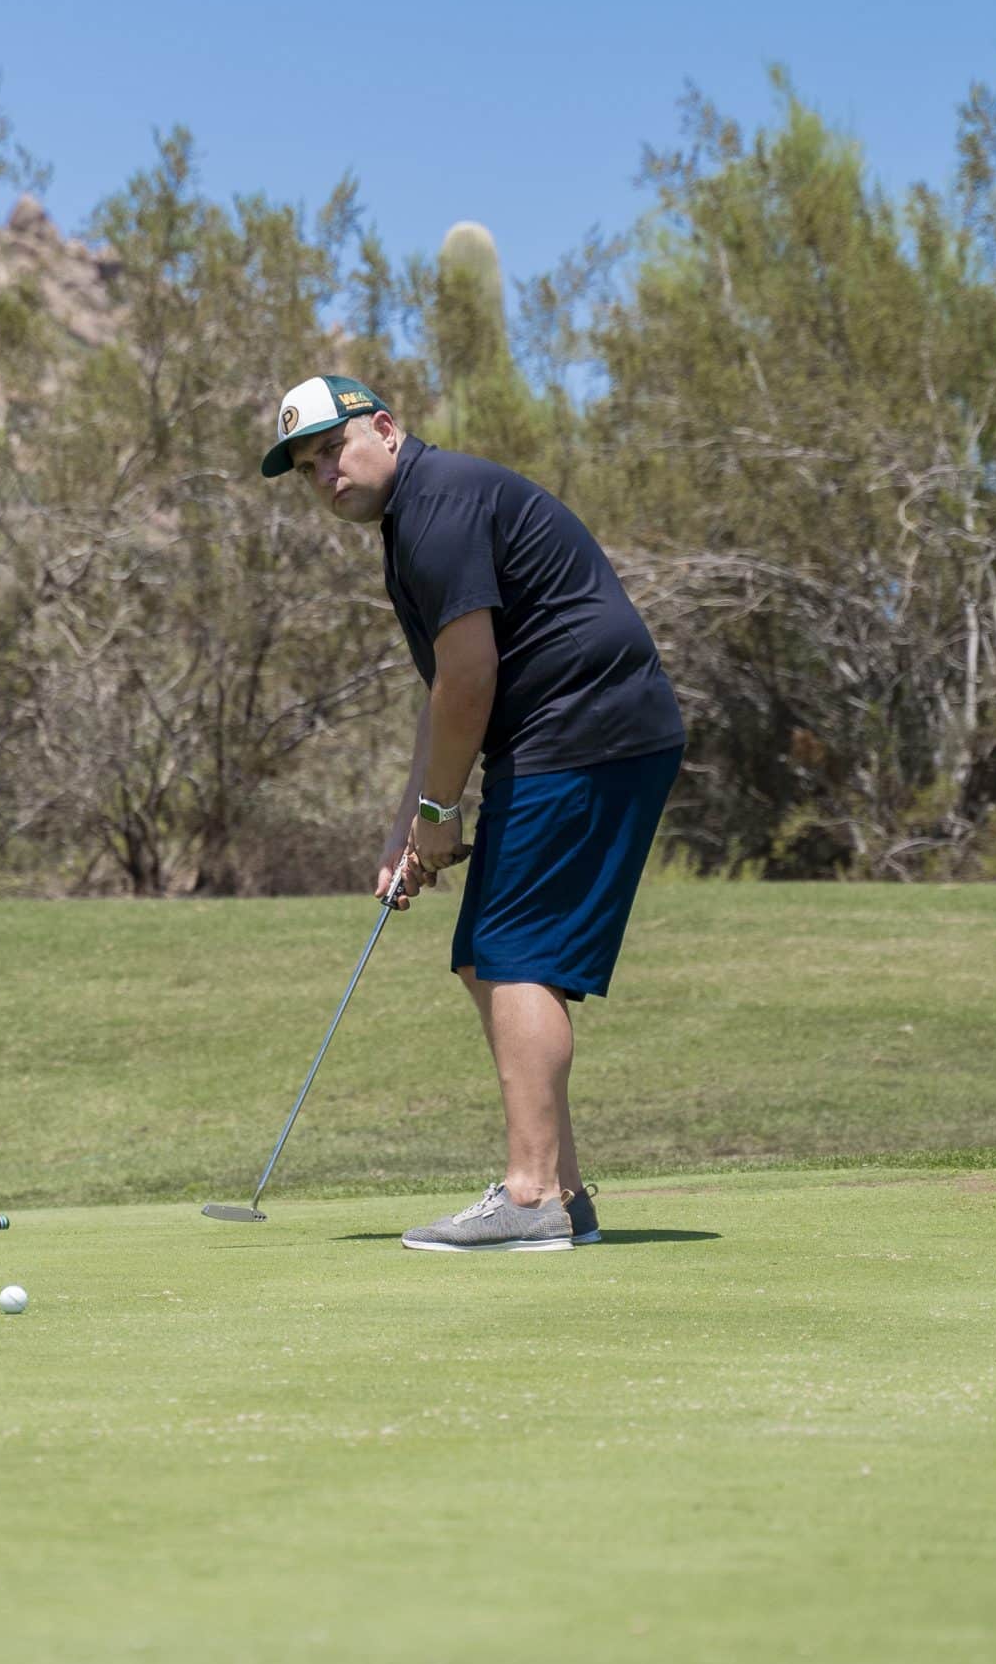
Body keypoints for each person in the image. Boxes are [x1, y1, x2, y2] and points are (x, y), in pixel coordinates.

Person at [261, 374, 685, 1251]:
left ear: (384, 427)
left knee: (513, 952)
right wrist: (407, 829)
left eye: (333, 448)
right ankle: (561, 1192)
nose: (324, 474)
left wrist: (439, 811)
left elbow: (471, 679)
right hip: (583, 731)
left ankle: (530, 1199)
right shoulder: (416, 518)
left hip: (585, 727)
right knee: (489, 956)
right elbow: (443, 697)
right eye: (307, 467)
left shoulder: (436, 506)